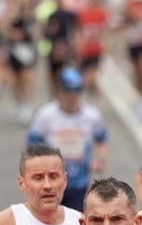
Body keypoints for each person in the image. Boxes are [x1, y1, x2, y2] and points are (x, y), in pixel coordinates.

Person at [26, 67, 107, 212]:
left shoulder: (92, 116)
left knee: (76, 223)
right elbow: (32, 144)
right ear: (59, 91)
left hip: (79, 182)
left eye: (76, 91)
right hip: (50, 182)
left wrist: (99, 159)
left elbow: (102, 139)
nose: (72, 95)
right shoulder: (46, 115)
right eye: (68, 91)